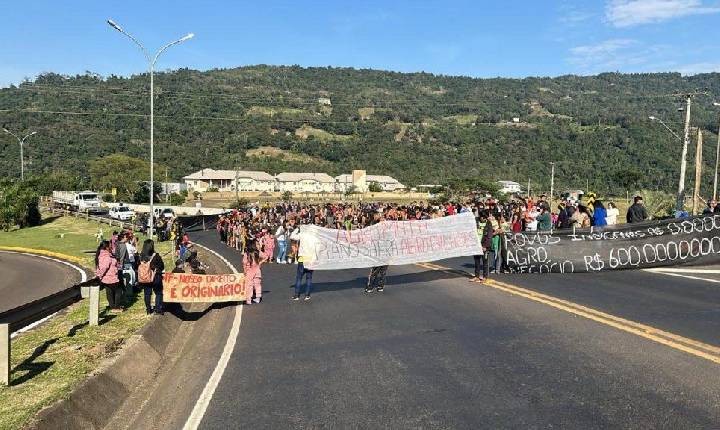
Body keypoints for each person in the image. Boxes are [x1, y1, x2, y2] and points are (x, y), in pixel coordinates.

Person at [138, 239, 165, 315]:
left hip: (146, 277)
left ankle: (148, 309)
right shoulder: (156, 256)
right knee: (158, 293)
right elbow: (162, 266)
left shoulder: (141, 256)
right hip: (156, 277)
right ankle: (158, 309)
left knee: (147, 294)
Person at [95, 240, 122, 313]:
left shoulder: (106, 254)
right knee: (118, 291)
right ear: (106, 247)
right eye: (110, 245)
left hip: (108, 277)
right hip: (110, 277)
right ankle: (116, 307)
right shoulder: (106, 256)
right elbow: (104, 267)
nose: (111, 246)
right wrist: (100, 276)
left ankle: (112, 306)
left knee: (109, 292)